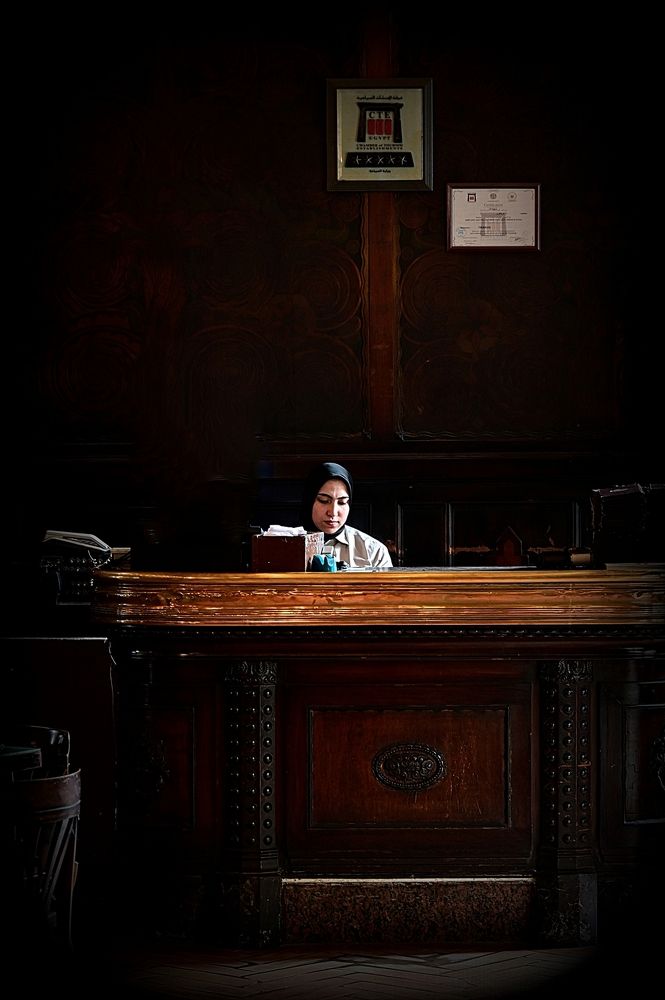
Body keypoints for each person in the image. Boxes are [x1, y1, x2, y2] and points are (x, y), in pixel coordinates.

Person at [299, 461, 393, 569]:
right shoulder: (284, 544)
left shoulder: (374, 552)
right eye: (324, 501)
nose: (333, 512)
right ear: (309, 501)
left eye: (342, 502)